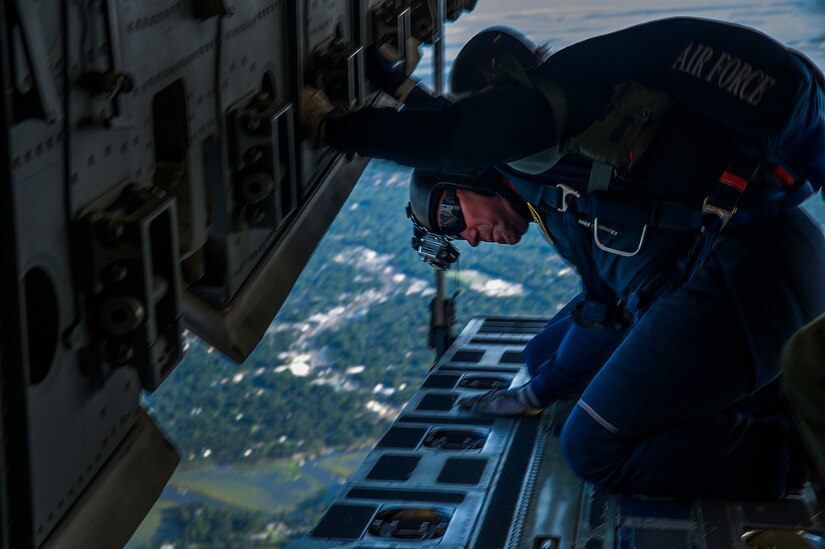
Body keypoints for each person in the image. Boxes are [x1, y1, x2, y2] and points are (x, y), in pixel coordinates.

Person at [302, 18, 825, 500]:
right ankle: (752, 406)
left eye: (453, 218)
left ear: (466, 175)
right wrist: (388, 80)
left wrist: (332, 127)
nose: (471, 239)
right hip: (774, 264)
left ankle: (798, 458)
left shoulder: (543, 154)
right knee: (543, 358)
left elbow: (452, 136)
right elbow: (449, 123)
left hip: (747, 281)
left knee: (591, 447)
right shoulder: (554, 167)